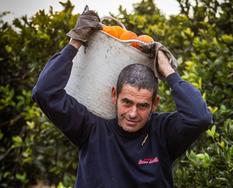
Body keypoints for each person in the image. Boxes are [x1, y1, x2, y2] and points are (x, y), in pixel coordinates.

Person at [32, 6, 213, 188]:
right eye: (126, 102)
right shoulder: (90, 128)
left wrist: (168, 71)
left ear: (155, 104)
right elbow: (45, 92)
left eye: (142, 105)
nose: (133, 113)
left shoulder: (163, 133)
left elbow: (200, 117)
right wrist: (75, 41)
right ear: (114, 96)